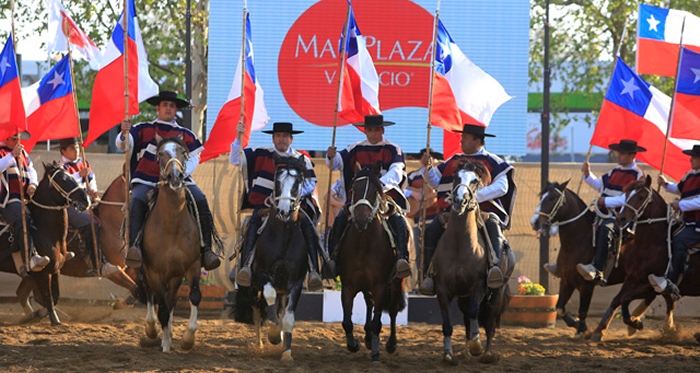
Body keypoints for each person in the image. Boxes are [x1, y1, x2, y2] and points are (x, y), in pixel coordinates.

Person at [117, 91, 221, 271]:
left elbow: (196, 157)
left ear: (176, 110)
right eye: (165, 105)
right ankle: (134, 249)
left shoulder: (186, 134)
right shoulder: (142, 128)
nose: (168, 108)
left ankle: (207, 250)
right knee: (137, 201)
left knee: (201, 200)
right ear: (158, 108)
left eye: (172, 106)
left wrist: (179, 173)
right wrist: (124, 133)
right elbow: (123, 146)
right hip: (146, 180)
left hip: (180, 180)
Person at [418, 124, 516, 295]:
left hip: (483, 212)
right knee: (431, 230)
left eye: (465, 138)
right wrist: (428, 167)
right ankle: (429, 275)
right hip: (454, 211)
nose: (461, 141)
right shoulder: (454, 160)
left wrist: (472, 197)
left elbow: (502, 187)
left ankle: (495, 269)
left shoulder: (493, 161)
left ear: (477, 141)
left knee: (494, 228)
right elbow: (436, 182)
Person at [230, 121, 324, 291]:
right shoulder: (259, 153)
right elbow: (236, 159)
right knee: (252, 225)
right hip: (265, 206)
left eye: (285, 136)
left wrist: (292, 194)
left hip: (294, 208)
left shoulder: (302, 159)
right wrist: (238, 139)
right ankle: (246, 265)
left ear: (291, 139)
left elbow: (311, 183)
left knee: (309, 228)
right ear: (273, 139)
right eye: (278, 136)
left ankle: (314, 270)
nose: (282, 139)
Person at [325, 114, 411, 279]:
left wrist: (378, 186)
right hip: (358, 199)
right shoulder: (354, 148)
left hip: (384, 196)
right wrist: (331, 156)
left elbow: (396, 172)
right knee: (340, 219)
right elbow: (336, 163)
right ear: (365, 131)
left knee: (398, 220)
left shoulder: (393, 148)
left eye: (376, 130)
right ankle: (333, 260)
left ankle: (401, 258)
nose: (373, 134)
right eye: (369, 130)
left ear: (382, 130)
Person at [572, 139, 645, 282]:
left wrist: (605, 201)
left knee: (606, 229)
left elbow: (629, 200)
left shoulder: (638, 176)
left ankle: (597, 268)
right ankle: (568, 263)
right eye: (619, 152)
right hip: (602, 212)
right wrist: (588, 174)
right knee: (580, 225)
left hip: (621, 218)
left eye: (622, 153)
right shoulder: (615, 170)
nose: (618, 155)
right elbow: (600, 186)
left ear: (632, 155)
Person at [58, 137, 120, 277]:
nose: (77, 151)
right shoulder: (61, 168)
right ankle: (94, 260)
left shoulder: (84, 163)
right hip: (70, 206)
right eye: (73, 148)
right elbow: (65, 186)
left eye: (78, 148)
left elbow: (91, 180)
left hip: (87, 202)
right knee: (90, 222)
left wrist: (92, 190)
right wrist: (78, 175)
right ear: (63, 151)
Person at [649, 145, 700, 298]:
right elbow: (678, 189)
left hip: (697, 225)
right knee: (664, 235)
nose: (691, 159)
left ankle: (672, 282)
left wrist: (680, 205)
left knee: (679, 241)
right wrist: (665, 184)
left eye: (694, 157)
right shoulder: (689, 175)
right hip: (687, 221)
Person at [0, 132, 50, 274]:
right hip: (6, 200)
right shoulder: (3, 152)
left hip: (24, 198)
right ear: (7, 138)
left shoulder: (23, 154)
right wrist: (12, 156)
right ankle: (30, 257)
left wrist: (33, 184)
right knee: (23, 218)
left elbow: (31, 169)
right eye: (15, 138)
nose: (18, 141)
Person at [405, 148, 442, 226]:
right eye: (424, 157)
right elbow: (401, 189)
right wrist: (412, 193)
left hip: (435, 218)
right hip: (417, 218)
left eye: (430, 157)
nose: (426, 160)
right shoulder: (412, 175)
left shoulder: (438, 174)